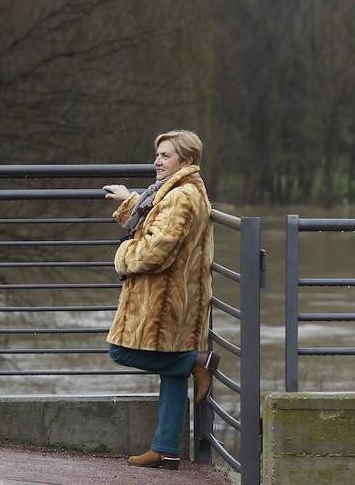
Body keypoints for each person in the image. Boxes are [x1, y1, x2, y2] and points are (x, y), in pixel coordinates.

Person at [102, 129, 218, 470]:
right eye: (157, 154)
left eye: (165, 155)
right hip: (179, 294)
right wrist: (130, 201)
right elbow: (156, 220)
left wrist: (122, 255)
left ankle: (197, 362)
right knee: (171, 371)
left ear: (187, 160)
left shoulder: (182, 197)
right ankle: (166, 449)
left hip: (167, 297)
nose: (157, 161)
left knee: (119, 351)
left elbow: (156, 250)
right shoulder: (178, 191)